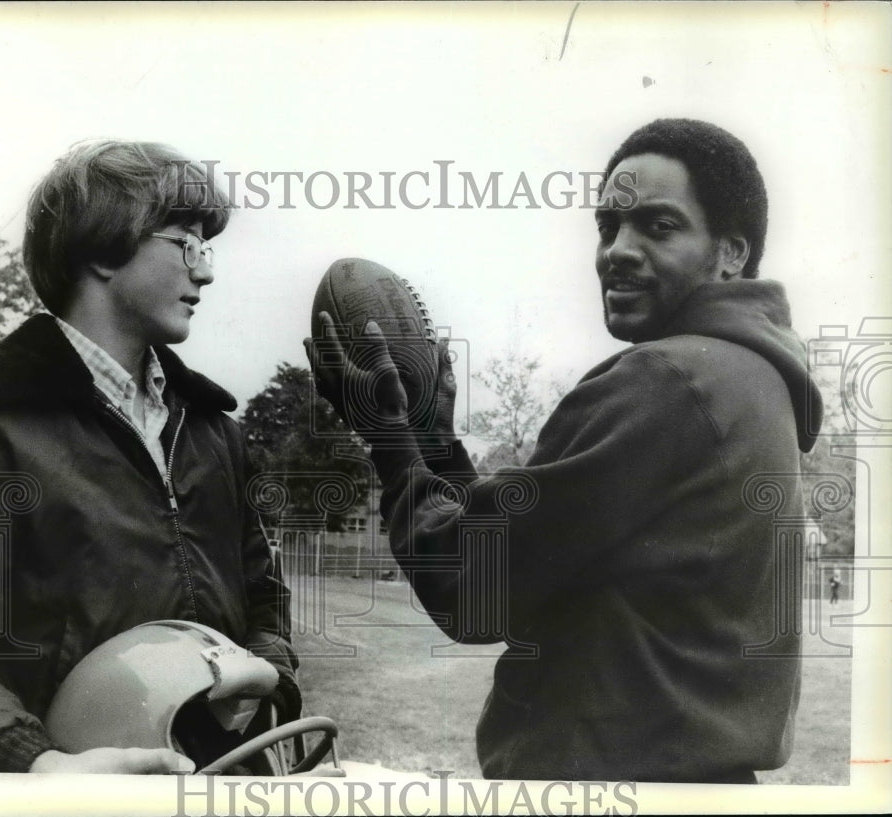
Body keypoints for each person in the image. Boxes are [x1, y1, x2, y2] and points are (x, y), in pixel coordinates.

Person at [307, 118, 822, 782]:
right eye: (609, 227)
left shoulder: (670, 380)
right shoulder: (750, 378)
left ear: (731, 252)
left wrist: (389, 439)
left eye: (658, 227)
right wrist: (435, 442)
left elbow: (474, 587)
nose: (618, 250)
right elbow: (538, 543)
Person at [0, 141, 299, 773]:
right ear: (100, 250)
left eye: (209, 248)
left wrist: (268, 671)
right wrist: (37, 766)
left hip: (226, 781)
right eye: (186, 243)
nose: (206, 272)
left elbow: (265, 602)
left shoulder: (217, 434)